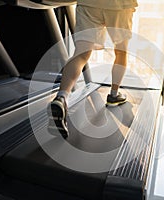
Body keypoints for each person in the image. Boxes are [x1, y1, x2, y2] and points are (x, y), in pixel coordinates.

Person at [48, 0, 138, 138]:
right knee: (121, 52)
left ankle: (62, 97)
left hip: (88, 3)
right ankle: (114, 95)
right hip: (119, 4)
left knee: (81, 54)